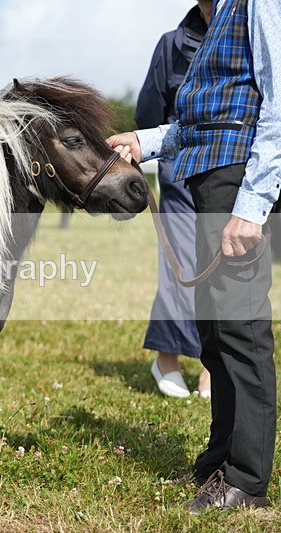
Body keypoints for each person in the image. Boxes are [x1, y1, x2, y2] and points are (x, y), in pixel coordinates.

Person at [108, 0, 280, 512]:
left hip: (236, 182)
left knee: (241, 329)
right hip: (209, 178)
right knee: (214, 329)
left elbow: (277, 106)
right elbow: (203, 122)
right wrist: (143, 140)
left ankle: (246, 480)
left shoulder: (260, 3)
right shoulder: (214, 17)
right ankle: (221, 462)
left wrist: (252, 205)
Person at [137, 1, 212, 399]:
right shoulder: (170, 45)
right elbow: (149, 113)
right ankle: (166, 358)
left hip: (228, 173)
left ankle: (209, 368)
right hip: (180, 177)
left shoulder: (249, 37)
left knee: (220, 270)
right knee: (179, 265)